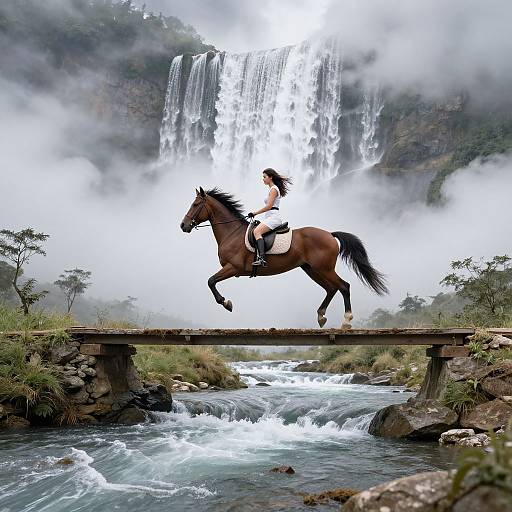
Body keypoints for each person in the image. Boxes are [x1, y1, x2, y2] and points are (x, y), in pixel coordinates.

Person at [248, 168, 292, 267]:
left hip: (273, 218)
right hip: (270, 217)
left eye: (264, 177)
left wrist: (255, 213)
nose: (263, 179)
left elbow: (269, 206)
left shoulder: (273, 189)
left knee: (256, 232)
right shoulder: (272, 189)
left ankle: (262, 258)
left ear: (270, 177)